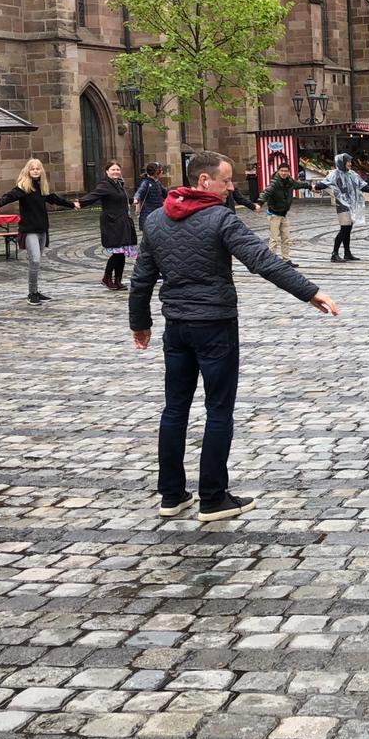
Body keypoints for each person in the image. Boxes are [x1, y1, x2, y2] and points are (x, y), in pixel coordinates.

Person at [130, 150, 337, 522]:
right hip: (215, 327)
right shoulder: (220, 218)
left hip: (176, 328)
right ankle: (212, 497)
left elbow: (142, 278)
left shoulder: (157, 220)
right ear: (204, 181)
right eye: (226, 181)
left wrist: (140, 324)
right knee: (218, 410)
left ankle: (171, 495)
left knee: (174, 408)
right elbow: (262, 260)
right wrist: (310, 292)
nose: (232, 188)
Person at [0, 158, 79, 305]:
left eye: (38, 168)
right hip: (29, 230)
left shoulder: (42, 188)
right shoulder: (23, 188)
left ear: (41, 171)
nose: (35, 171)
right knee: (35, 259)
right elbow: (9, 196)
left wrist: (72, 204)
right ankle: (31, 294)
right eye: (32, 168)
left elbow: (55, 199)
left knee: (36, 263)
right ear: (28, 171)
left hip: (42, 230)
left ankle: (35, 291)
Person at [76, 161, 138, 291]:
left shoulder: (118, 184)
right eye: (113, 169)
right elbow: (94, 195)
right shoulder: (105, 185)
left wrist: (133, 201)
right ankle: (107, 278)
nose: (116, 171)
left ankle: (118, 280)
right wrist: (80, 202)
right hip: (112, 223)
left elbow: (121, 199)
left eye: (117, 169)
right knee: (117, 253)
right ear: (107, 171)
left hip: (123, 221)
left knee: (121, 253)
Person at [261, 162, 312, 267]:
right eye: (282, 171)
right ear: (278, 171)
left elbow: (298, 184)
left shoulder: (289, 181)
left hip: (283, 214)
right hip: (273, 215)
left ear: (289, 172)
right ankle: (271, 261)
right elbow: (266, 192)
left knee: (286, 238)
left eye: (286, 171)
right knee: (274, 239)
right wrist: (259, 202)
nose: (284, 173)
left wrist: (310, 186)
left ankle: (286, 260)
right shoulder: (274, 183)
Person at [323, 152, 369, 262]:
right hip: (342, 205)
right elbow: (325, 183)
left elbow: (361, 184)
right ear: (342, 162)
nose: (350, 164)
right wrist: (315, 186)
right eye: (348, 162)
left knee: (348, 230)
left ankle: (347, 253)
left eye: (350, 161)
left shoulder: (351, 174)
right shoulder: (335, 174)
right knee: (344, 229)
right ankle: (334, 253)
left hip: (351, 205)